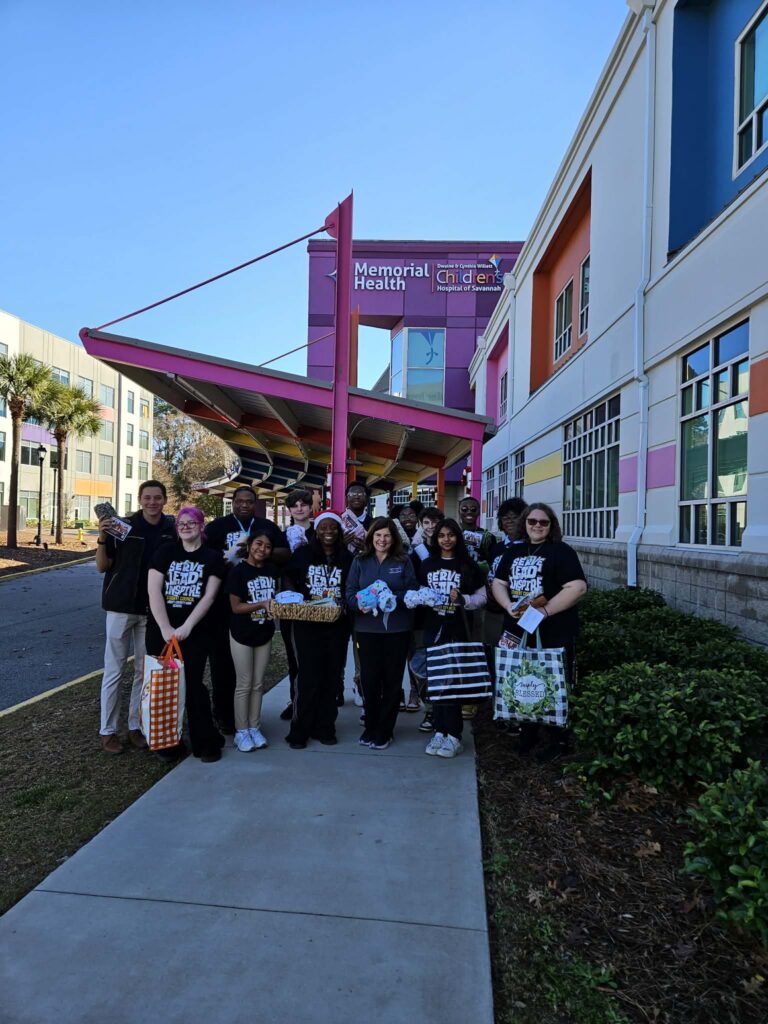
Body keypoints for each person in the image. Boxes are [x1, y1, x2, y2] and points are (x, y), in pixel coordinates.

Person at [491, 502, 587, 760]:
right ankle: (528, 734)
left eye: (543, 522)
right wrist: (508, 605)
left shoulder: (561, 551)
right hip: (517, 630)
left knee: (553, 682)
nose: (537, 526)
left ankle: (558, 740)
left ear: (551, 525)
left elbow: (577, 587)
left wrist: (545, 611)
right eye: (532, 521)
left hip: (554, 631)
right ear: (524, 523)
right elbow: (499, 582)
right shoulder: (514, 551)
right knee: (522, 681)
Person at [95, 480, 176, 755]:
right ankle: (107, 730)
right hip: (120, 606)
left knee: (144, 671)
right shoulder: (123, 526)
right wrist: (102, 537)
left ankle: (135, 726)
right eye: (147, 497)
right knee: (114, 670)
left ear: (165, 500)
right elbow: (102, 566)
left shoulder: (171, 530)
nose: (153, 502)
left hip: (152, 611)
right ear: (140, 500)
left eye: (157, 497)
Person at [205, 485, 288, 734]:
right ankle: (224, 715)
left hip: (257, 606)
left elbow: (285, 552)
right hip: (223, 604)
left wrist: (259, 553)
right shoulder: (217, 526)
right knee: (222, 662)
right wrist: (224, 557)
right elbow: (204, 554)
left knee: (253, 671)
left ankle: (250, 722)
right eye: (239, 501)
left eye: (249, 501)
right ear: (232, 502)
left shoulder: (266, 526)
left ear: (255, 503)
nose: (244, 505)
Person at [147, 507, 226, 763]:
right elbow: (154, 591)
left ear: (201, 526)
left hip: (195, 632)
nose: (185, 526)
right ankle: (168, 743)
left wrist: (187, 626)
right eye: (181, 523)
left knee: (192, 685)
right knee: (164, 686)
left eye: (192, 522)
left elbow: (209, 596)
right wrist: (165, 628)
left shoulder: (212, 557)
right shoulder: (165, 552)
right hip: (161, 631)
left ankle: (206, 741)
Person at [346, 517, 417, 750]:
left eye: (387, 535)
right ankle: (371, 726)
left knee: (392, 681)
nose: (382, 540)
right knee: (369, 680)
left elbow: (412, 591)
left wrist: (391, 597)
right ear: (371, 537)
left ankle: (386, 730)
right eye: (378, 535)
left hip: (397, 629)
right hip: (367, 630)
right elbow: (350, 593)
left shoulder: (403, 560)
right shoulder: (360, 560)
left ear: (393, 538)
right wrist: (360, 604)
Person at [418, 518, 486, 758]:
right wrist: (421, 598)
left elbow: (482, 597)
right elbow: (420, 592)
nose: (446, 539)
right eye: (441, 535)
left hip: (458, 631)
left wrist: (463, 600)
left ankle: (455, 736)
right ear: (435, 539)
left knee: (454, 683)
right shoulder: (427, 564)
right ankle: (439, 731)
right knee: (437, 682)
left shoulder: (468, 565)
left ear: (458, 537)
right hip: (433, 629)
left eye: (451, 535)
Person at [284, 511, 352, 749]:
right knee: (307, 677)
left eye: (333, 527)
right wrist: (294, 596)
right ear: (316, 530)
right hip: (307, 624)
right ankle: (300, 730)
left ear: (339, 531)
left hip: (337, 625)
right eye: (323, 527)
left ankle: (325, 727)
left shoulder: (347, 557)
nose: (328, 532)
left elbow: (352, 587)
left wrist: (345, 603)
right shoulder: (303, 554)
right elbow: (288, 576)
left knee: (331, 677)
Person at [226, 530, 279, 752]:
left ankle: (254, 727)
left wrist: (276, 606)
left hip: (264, 632)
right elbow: (236, 607)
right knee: (244, 684)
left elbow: (275, 599)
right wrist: (262, 604)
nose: (262, 549)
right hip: (242, 634)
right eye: (258, 543)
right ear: (249, 545)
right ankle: (241, 731)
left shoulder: (272, 570)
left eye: (267, 546)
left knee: (258, 683)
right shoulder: (238, 572)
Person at [279, 488, 315, 720]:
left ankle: (319, 700)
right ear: (289, 510)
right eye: (295, 505)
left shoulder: (321, 531)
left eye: (304, 504)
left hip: (318, 601)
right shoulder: (281, 536)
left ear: (311, 507)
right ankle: (296, 700)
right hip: (292, 603)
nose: (299, 508)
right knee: (294, 657)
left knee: (317, 656)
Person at [483, 497, 528, 656]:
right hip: (494, 610)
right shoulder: (496, 548)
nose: (510, 521)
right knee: (492, 651)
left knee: (514, 657)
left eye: (515, 517)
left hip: (518, 612)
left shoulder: (530, 548)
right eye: (505, 518)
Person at [341, 480, 371, 706]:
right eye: (352, 493)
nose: (357, 496)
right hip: (341, 587)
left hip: (365, 589)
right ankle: (336, 684)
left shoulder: (375, 523)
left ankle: (360, 683)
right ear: (346, 498)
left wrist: (367, 548)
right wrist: (341, 544)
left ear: (367, 498)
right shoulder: (338, 522)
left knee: (361, 642)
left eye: (361, 493)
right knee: (339, 640)